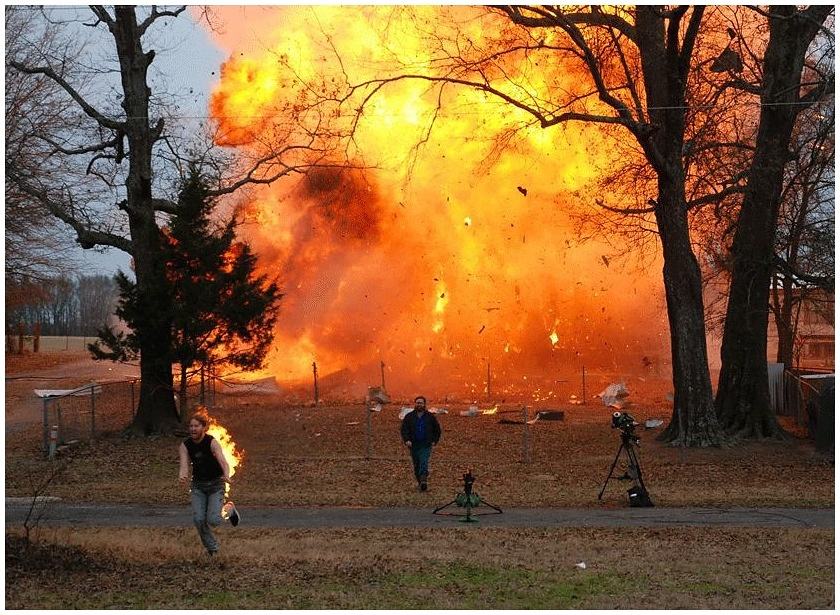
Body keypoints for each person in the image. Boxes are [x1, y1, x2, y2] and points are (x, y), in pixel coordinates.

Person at [178, 410, 239, 556]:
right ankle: (213, 549)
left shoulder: (211, 442)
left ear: (203, 427)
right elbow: (184, 465)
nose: (193, 429)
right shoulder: (185, 445)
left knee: (213, 520)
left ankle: (229, 508)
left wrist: (226, 475)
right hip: (198, 486)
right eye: (191, 426)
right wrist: (183, 475)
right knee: (198, 519)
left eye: (196, 426)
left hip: (216, 485)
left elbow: (223, 461)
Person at [400, 395, 441, 491]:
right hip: (413, 444)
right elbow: (404, 429)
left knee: (423, 461)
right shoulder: (409, 417)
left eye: (421, 403)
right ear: (415, 404)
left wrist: (435, 440)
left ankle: (423, 480)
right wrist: (407, 440)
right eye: (417, 403)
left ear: (424, 404)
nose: (419, 405)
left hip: (426, 444)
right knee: (417, 464)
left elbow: (437, 430)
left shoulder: (430, 417)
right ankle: (420, 483)